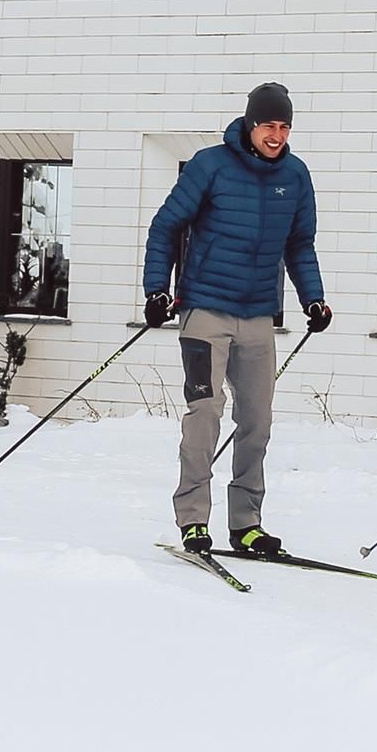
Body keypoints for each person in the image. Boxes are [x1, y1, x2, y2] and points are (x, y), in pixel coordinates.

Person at [142, 81, 331, 563]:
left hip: (257, 314)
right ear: (250, 125)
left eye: (284, 126)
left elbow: (300, 245)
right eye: (268, 125)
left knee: (257, 421)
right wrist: (157, 290)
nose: (276, 135)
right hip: (204, 309)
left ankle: (246, 524)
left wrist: (313, 299)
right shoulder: (211, 165)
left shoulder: (296, 175)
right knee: (205, 412)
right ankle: (193, 519)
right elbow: (166, 226)